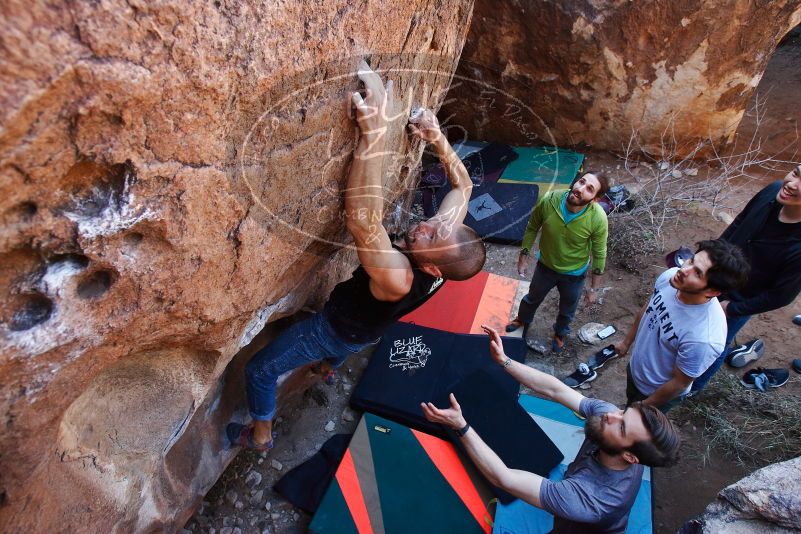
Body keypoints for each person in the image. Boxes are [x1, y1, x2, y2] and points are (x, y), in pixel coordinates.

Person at [227, 62, 486, 450]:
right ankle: (327, 369)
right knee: (342, 351)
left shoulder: (400, 276)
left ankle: (261, 435)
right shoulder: (447, 249)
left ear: (432, 267)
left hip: (333, 328)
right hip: (365, 333)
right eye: (437, 224)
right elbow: (463, 186)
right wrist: (436, 138)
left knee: (261, 369)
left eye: (430, 236)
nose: (425, 226)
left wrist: (375, 135)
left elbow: (364, 223)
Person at [422, 326, 680, 534]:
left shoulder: (590, 499)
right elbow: (556, 389)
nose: (611, 415)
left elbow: (504, 478)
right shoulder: (611, 418)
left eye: (621, 425)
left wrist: (461, 425)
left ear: (631, 458)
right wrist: (505, 361)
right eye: (623, 412)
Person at [691, 164, 801, 392]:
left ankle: (690, 389)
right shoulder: (773, 190)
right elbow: (740, 222)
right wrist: (708, 256)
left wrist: (733, 308)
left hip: (739, 299)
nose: (792, 184)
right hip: (715, 276)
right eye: (796, 173)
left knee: (714, 345)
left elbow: (781, 296)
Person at [614, 240, 749, 412]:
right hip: (636, 371)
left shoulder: (704, 338)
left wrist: (642, 408)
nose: (684, 270)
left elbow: (679, 383)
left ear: (712, 292)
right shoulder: (671, 277)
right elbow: (650, 306)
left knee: (638, 433)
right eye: (692, 260)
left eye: (697, 273)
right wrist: (627, 342)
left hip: (655, 393)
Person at [506, 173, 610, 352]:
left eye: (589, 189)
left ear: (595, 199)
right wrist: (523, 256)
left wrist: (594, 289)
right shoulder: (551, 199)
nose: (580, 188)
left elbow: (599, 253)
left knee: (567, 309)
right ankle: (522, 320)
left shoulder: (598, 218)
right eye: (581, 181)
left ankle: (560, 333)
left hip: (574, 275)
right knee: (531, 299)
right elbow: (532, 226)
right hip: (545, 266)